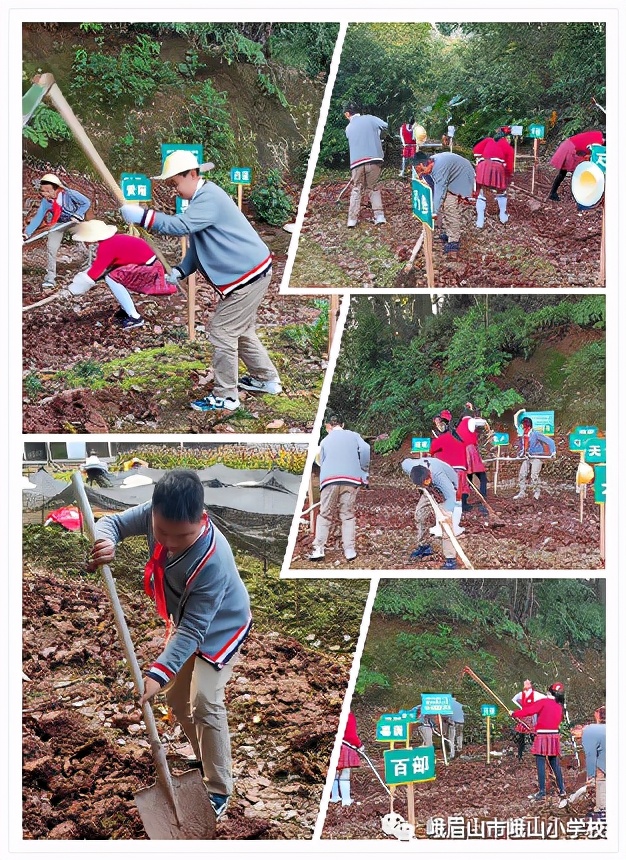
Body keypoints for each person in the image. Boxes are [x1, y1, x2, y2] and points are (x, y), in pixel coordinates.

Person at [89, 469, 252, 821]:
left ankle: (218, 788)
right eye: (161, 531)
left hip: (221, 626)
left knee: (205, 699)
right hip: (187, 621)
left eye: (181, 535)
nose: (169, 541)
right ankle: (202, 756)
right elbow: (112, 523)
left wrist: (158, 672)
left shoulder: (213, 562)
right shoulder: (155, 513)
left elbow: (194, 629)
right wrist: (106, 541)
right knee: (177, 700)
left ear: (202, 520)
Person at [120, 150, 282, 411]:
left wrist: (144, 217)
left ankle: (227, 397)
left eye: (175, 183)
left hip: (248, 274)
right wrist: (182, 270)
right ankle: (266, 380)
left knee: (222, 330)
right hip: (251, 271)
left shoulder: (209, 197)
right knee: (240, 330)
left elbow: (180, 226)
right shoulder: (202, 200)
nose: (174, 190)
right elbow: (198, 246)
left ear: (192, 174)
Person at [65, 220, 174, 329]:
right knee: (112, 275)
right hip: (148, 265)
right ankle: (126, 307)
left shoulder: (106, 247)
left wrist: (73, 289)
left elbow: (95, 273)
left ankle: (135, 317)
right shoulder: (114, 240)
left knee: (111, 278)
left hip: (148, 269)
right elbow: (103, 266)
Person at [309, 415, 370, 562]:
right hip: (351, 480)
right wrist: (363, 468)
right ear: (342, 424)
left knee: (325, 514)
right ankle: (349, 550)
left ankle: (319, 548)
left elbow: (321, 462)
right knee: (347, 515)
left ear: (328, 426)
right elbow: (366, 448)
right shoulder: (354, 436)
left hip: (329, 480)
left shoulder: (324, 441)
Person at [23, 172, 92, 288]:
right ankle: (50, 278)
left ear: (57, 189)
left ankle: (91, 267)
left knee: (87, 237)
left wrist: (78, 214)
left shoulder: (69, 194)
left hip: (74, 221)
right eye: (42, 191)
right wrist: (26, 233)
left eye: (48, 191)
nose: (45, 194)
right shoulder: (46, 202)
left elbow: (86, 202)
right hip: (60, 223)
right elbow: (38, 217)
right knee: (51, 247)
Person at [400, 456, 462, 570]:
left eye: (427, 481)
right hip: (429, 490)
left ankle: (450, 559)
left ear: (429, 475)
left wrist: (445, 515)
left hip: (448, 490)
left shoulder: (440, 478)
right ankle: (424, 546)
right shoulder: (409, 467)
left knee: (446, 524)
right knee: (420, 515)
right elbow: (404, 461)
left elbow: (451, 497)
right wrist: (425, 486)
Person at [510, 681, 567, 802]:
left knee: (540, 763)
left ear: (549, 691)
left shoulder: (543, 702)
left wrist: (514, 714)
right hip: (554, 736)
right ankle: (562, 790)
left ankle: (542, 792)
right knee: (555, 764)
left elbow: (528, 711)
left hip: (542, 735)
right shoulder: (559, 705)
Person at [412, 151, 475, 254]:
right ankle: (450, 233)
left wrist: (434, 212)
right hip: (454, 174)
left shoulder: (439, 168)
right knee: (444, 203)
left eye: (421, 170)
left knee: (449, 206)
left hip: (462, 176)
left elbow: (440, 191)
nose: (421, 174)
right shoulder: (431, 164)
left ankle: (454, 240)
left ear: (422, 164)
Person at [343, 103, 388, 227]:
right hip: (374, 159)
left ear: (347, 114)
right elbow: (385, 125)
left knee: (357, 188)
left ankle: (352, 219)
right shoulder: (370, 118)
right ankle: (379, 216)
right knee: (373, 188)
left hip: (356, 163)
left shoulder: (348, 128)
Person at [430, 410, 472, 513]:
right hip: (461, 468)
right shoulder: (458, 437)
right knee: (462, 487)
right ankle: (463, 505)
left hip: (449, 468)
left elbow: (432, 450)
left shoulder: (441, 439)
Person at [473, 130, 515, 228]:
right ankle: (503, 217)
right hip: (498, 167)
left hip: (483, 166)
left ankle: (480, 221)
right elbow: (509, 167)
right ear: (506, 138)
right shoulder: (507, 147)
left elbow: (476, 151)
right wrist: (507, 177)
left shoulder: (488, 140)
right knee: (501, 192)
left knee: (482, 194)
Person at [548, 130, 605, 202]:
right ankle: (583, 196)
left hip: (569, 145)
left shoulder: (597, 135)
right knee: (577, 173)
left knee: (564, 172)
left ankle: (553, 193)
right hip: (572, 149)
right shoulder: (599, 141)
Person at [456, 403, 490, 512]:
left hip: (461, 452)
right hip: (470, 451)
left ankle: (464, 504)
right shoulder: (470, 421)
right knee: (483, 478)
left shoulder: (459, 426)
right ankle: (483, 500)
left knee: (468, 479)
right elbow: (482, 423)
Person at [513, 416, 556, 500]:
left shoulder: (535, 434)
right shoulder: (523, 436)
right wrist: (521, 454)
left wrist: (553, 452)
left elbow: (550, 441)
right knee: (522, 474)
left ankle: (537, 492)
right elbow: (523, 448)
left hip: (536, 456)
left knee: (534, 475)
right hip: (527, 457)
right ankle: (522, 492)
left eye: (523, 424)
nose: (522, 426)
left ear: (527, 425)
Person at [330, 711, 363, 807]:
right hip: (345, 746)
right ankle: (346, 799)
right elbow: (351, 736)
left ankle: (334, 796)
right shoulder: (348, 715)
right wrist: (359, 745)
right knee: (345, 773)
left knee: (334, 772)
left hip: (333, 746)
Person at [578, 706, 606, 814]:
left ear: (598, 715)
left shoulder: (590, 730)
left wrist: (590, 776)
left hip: (603, 766)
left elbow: (591, 755)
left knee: (600, 774)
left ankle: (602, 808)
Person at [511, 679, 546, 760]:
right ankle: (520, 755)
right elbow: (514, 701)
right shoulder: (520, 694)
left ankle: (538, 753)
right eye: (524, 683)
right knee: (521, 736)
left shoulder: (536, 695)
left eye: (527, 683)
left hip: (532, 717)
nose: (525, 684)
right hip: (523, 717)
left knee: (533, 735)